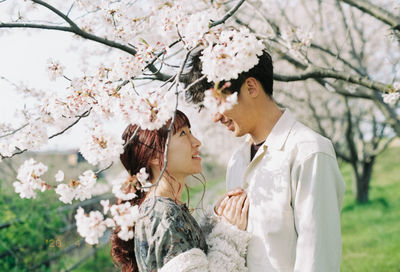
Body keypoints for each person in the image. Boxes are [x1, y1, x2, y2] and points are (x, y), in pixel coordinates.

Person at [182, 51, 346, 271]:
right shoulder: (237, 161)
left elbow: (319, 258)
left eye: (217, 103)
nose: (215, 117)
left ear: (250, 87)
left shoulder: (308, 152)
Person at [111, 110, 251, 272]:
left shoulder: (160, 209)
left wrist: (214, 223)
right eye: (183, 133)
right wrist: (228, 236)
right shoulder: (163, 213)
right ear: (155, 155)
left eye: (190, 131)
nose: (197, 142)